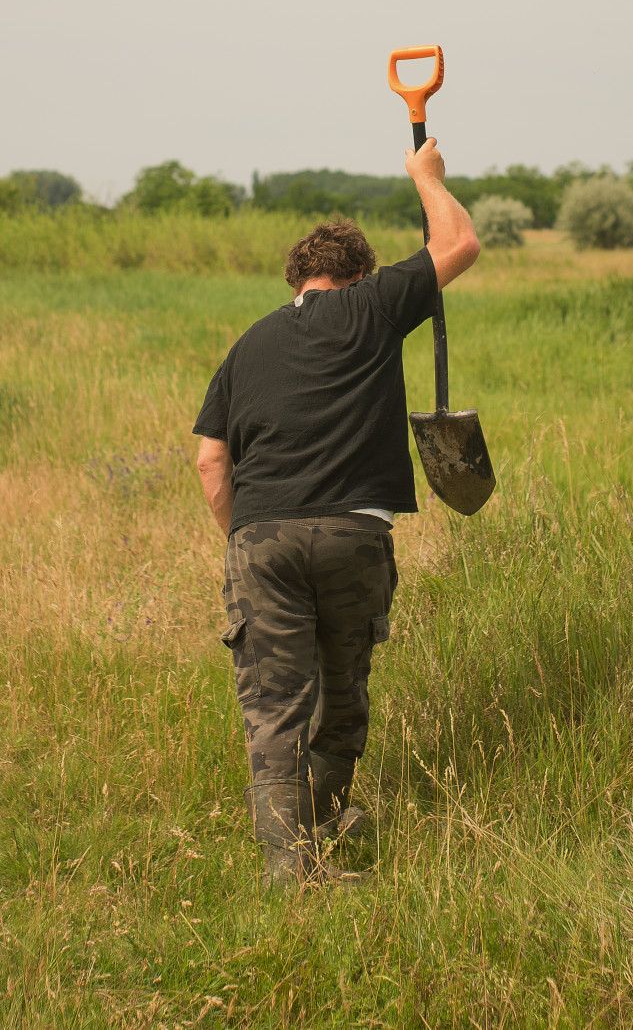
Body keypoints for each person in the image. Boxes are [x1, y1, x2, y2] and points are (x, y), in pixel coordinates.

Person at [192, 137, 481, 889]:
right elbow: (460, 244)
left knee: (276, 708)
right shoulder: (373, 304)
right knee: (342, 695)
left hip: (259, 537)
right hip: (355, 533)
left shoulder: (247, 345)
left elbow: (209, 460)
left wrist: (245, 541)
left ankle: (297, 855)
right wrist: (426, 178)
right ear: (358, 274)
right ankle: (313, 833)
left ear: (297, 280)